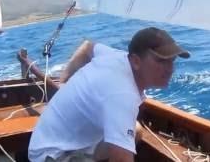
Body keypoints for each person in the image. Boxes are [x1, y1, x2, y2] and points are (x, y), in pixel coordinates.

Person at [20, 27, 190, 162]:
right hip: (51, 155)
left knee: (135, 131)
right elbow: (121, 159)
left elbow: (87, 46)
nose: (170, 68)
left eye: (172, 60)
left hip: (63, 140)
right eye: (161, 60)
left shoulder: (118, 56)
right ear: (136, 61)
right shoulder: (122, 94)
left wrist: (63, 80)